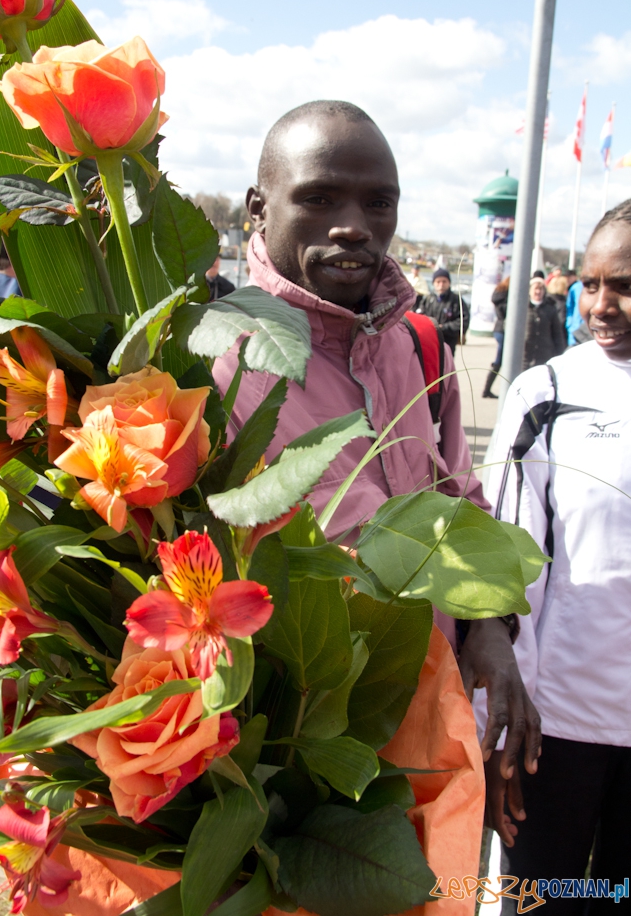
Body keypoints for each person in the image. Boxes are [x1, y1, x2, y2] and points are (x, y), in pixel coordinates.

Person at [212, 100, 539, 877]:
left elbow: (460, 507)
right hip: (297, 771)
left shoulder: (416, 347)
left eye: (377, 202)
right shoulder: (214, 369)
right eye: (319, 197)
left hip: (437, 732)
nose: (354, 226)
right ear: (259, 206)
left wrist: (490, 627)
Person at [481, 198, 631, 912]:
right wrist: (497, 730)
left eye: (623, 285)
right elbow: (504, 574)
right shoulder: (545, 392)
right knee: (546, 899)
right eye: (591, 283)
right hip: (557, 730)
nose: (601, 305)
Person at [417, 267, 469, 355]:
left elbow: (463, 321)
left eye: (444, 281)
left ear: (449, 283)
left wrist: (443, 327)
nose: (441, 285)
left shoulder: (456, 300)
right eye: (438, 282)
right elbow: (418, 318)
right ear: (433, 283)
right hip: (428, 342)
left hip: (448, 343)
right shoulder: (428, 300)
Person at [523, 275, 565, 369]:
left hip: (544, 355)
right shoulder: (524, 308)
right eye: (535, 288)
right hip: (525, 356)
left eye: (541, 289)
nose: (538, 292)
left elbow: (557, 334)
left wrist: (559, 354)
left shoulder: (550, 308)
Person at [483, 276, 509, 399]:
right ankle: (487, 390)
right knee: (500, 360)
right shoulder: (506, 298)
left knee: (500, 359)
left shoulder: (499, 295)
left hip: (499, 329)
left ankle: (487, 389)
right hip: (503, 329)